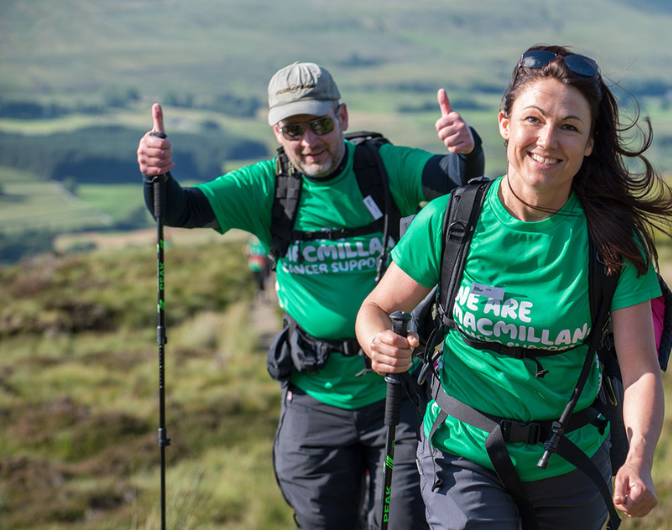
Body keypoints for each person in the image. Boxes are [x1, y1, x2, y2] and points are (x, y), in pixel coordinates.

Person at [137, 61, 484, 530]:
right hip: (315, 395)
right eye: (292, 128)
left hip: (398, 392)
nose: (308, 141)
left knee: (404, 521)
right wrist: (156, 176)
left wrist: (467, 150)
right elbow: (180, 208)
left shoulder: (381, 169)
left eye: (319, 124)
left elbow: (453, 179)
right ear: (276, 131)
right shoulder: (267, 186)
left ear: (341, 116)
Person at [356, 45, 672, 530]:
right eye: (533, 119)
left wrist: (638, 459)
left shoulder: (611, 241)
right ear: (505, 123)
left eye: (570, 126)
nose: (547, 140)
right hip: (460, 453)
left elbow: (640, 369)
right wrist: (376, 341)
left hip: (571, 457)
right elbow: (376, 307)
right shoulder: (451, 221)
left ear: (590, 143)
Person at [244, 234, 272, 300]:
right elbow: (247, 253)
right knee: (256, 279)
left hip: (261, 264)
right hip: (253, 265)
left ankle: (262, 291)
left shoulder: (261, 244)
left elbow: (266, 253)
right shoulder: (250, 244)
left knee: (261, 278)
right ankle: (260, 290)